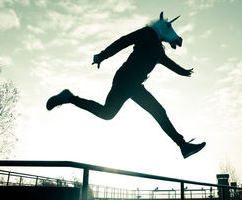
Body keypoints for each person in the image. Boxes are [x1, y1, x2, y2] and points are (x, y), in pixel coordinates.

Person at [46, 12, 206, 159]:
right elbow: (123, 42)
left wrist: (183, 71)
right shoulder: (145, 33)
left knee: (108, 113)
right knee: (156, 111)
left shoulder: (158, 49)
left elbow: (167, 62)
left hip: (133, 84)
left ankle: (69, 98)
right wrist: (102, 56)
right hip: (125, 79)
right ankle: (183, 145)